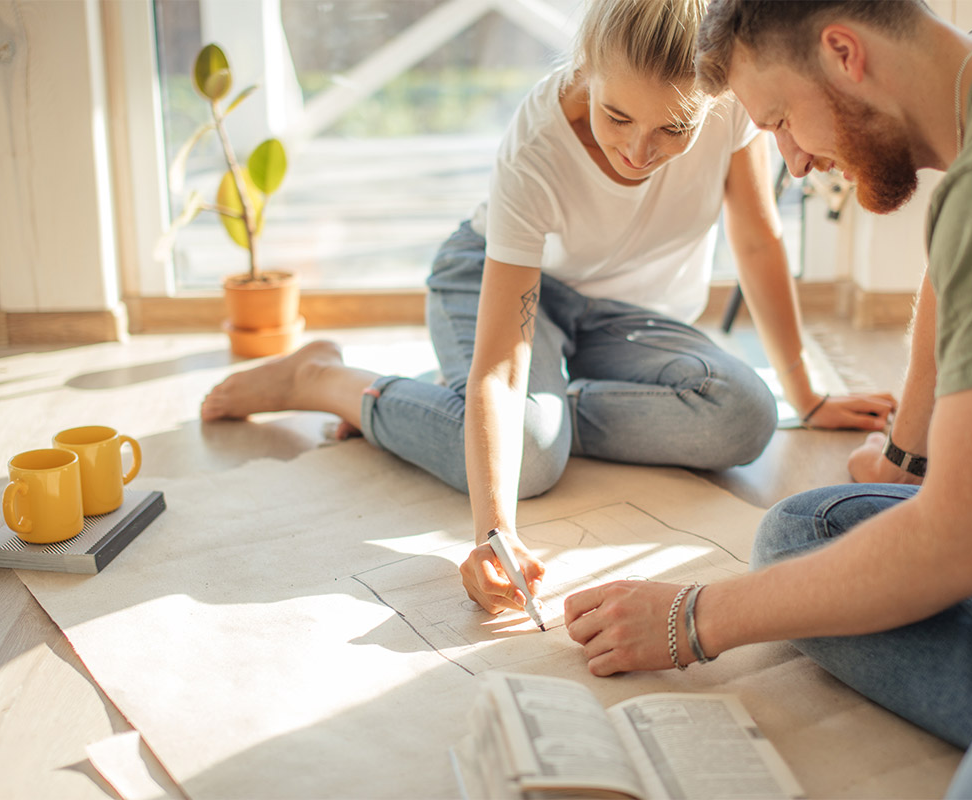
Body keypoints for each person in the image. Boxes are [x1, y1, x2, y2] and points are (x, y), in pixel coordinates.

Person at [201, 0, 894, 618]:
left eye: (673, 129)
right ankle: (324, 380)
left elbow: (757, 236)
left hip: (622, 314)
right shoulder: (537, 145)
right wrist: (492, 532)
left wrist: (805, 392)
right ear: (587, 68)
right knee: (529, 459)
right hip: (495, 278)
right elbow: (502, 367)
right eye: (618, 114)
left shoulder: (732, 104)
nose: (637, 149)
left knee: (747, 415)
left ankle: (531, 408)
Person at [564, 2, 972, 797]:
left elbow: (971, 539)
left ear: (844, 52)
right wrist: (904, 456)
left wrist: (692, 620)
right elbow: (957, 267)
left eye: (781, 120)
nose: (797, 162)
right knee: (805, 534)